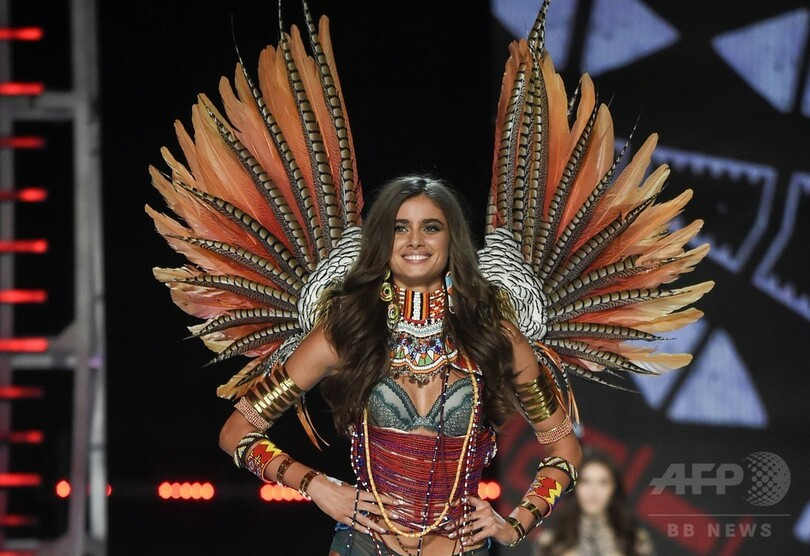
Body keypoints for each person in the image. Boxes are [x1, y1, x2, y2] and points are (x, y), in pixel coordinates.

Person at [219, 176, 582, 555]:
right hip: (363, 544)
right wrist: (318, 486)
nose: (415, 241)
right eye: (399, 228)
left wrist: (515, 524)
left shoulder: (495, 336)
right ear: (381, 239)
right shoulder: (346, 333)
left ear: (452, 239)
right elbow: (236, 431)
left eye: (431, 227)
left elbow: (564, 447)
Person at [533, 451, 654, 556]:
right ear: (575, 487)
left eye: (602, 483)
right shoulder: (551, 541)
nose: (593, 491)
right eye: (586, 481)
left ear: (613, 488)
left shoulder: (634, 541)